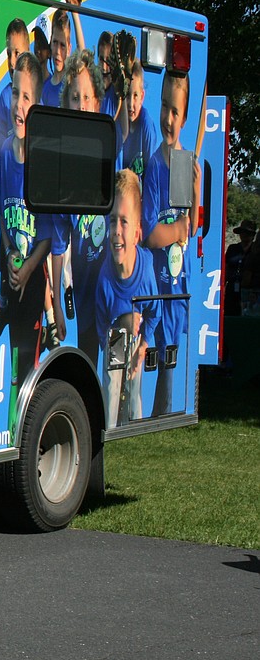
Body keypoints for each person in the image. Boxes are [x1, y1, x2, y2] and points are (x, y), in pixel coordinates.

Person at [142, 70, 200, 416]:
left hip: (180, 284)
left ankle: (167, 412)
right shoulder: (154, 165)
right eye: (164, 107)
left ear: (184, 116)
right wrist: (176, 230)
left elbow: (189, 228)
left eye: (175, 111)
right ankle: (156, 413)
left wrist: (193, 194)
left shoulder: (185, 164)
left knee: (173, 355)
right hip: (158, 285)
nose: (167, 117)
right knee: (157, 354)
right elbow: (150, 234)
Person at [0, 51, 51, 393]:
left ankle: (22, 429)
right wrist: (10, 257)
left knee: (26, 366)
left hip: (33, 282)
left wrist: (28, 267)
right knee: (11, 361)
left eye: (27, 97)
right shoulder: (4, 156)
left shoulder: (42, 161)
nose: (19, 105)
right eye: (15, 93)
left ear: (38, 102)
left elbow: (47, 235)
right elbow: (3, 215)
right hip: (11, 275)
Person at [50, 49, 106, 365]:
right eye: (74, 97)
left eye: (87, 97)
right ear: (65, 104)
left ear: (97, 103)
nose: (81, 105)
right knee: (86, 362)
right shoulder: (64, 169)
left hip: (108, 292)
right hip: (80, 294)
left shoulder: (109, 150)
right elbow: (59, 245)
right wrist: (58, 302)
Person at [96, 169, 160, 428]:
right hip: (114, 332)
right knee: (112, 383)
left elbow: (154, 311)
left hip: (138, 334)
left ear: (137, 233)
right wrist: (122, 321)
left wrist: (143, 346)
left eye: (124, 222)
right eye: (112, 221)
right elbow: (102, 329)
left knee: (134, 384)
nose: (116, 231)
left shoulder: (145, 273)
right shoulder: (105, 280)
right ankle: (110, 429)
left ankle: (136, 426)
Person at [0, 18, 30, 160]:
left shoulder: (37, 95)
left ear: (28, 53)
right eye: (9, 54)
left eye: (17, 53)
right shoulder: (4, 98)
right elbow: (0, 154)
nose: (12, 62)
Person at [121, 60, 158, 182]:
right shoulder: (119, 123)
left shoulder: (146, 125)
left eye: (135, 95)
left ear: (142, 96)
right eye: (127, 95)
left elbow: (151, 173)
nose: (131, 104)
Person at [41, 9, 72, 108]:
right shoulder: (45, 89)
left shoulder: (71, 83)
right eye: (55, 42)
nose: (58, 51)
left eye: (62, 45)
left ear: (69, 49)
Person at [225, 219, 256, 317]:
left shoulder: (255, 251)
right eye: (242, 232)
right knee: (230, 312)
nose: (244, 235)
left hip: (248, 289)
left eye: (247, 233)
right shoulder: (232, 248)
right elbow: (226, 267)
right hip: (232, 287)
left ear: (253, 235)